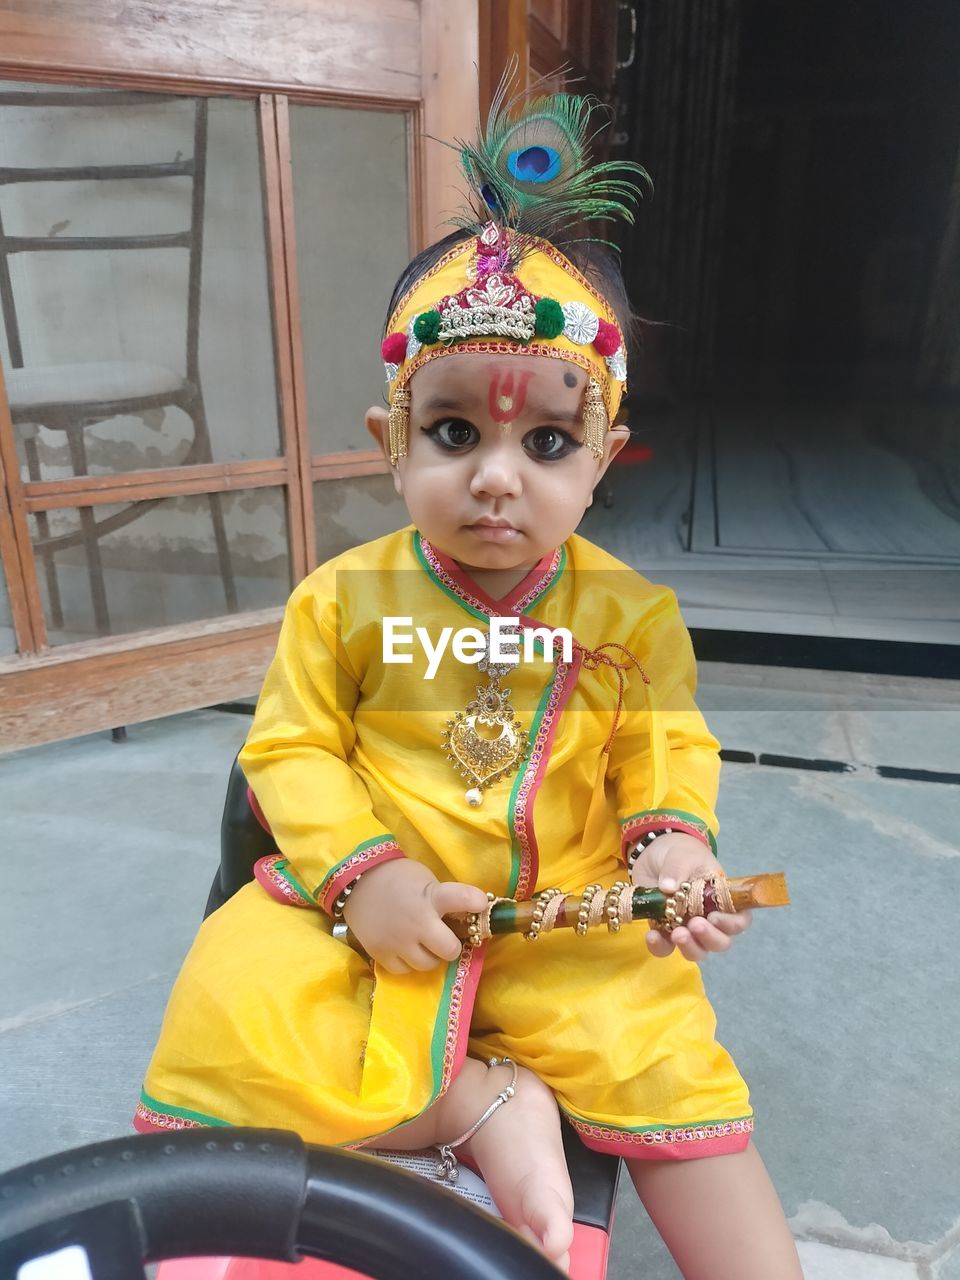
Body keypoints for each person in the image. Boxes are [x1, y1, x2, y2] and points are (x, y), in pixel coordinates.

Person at [136, 82, 802, 1278]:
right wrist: (368, 879)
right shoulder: (339, 601)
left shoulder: (629, 616)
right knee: (235, 1014)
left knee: (664, 1062)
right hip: (368, 920)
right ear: (392, 442)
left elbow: (664, 749)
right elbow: (288, 750)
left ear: (604, 457)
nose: (498, 478)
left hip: (569, 931)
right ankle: (481, 1104)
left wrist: (674, 848)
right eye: (454, 433)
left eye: (547, 442)